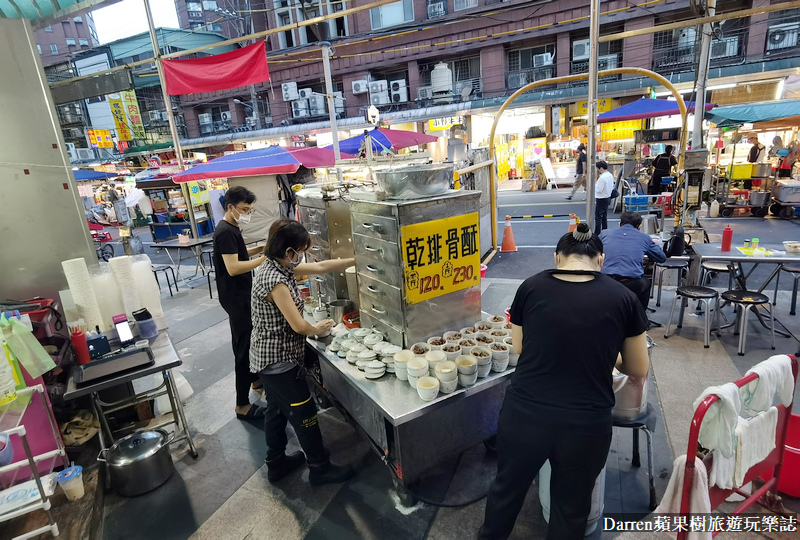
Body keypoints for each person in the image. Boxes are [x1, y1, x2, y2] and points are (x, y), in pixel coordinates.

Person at [479, 223, 650, 540]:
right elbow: (638, 368)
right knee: (570, 512)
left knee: (506, 494)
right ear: (600, 260)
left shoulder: (530, 287)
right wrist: (605, 352)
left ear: (557, 257)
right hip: (585, 425)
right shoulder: (624, 299)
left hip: (525, 417)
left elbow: (518, 346)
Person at [251, 219, 356, 485]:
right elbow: (299, 326)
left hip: (268, 358)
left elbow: (320, 266)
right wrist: (317, 328)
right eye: (301, 250)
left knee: (275, 411)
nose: (302, 255)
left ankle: (276, 463)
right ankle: (320, 468)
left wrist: (355, 260)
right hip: (278, 362)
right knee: (304, 412)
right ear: (289, 251)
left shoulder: (278, 264)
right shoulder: (275, 279)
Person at [213, 186, 268, 421]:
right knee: (243, 349)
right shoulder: (225, 231)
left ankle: (255, 381)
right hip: (235, 297)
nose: (247, 213)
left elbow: (241, 255)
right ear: (230, 207)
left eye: (251, 209)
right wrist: (266, 258)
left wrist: (263, 248)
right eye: (244, 209)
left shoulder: (233, 228)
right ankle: (242, 405)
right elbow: (234, 267)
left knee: (248, 341)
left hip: (240, 294)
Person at [600, 211, 666, 313]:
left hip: (606, 281)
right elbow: (661, 258)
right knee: (646, 283)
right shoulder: (645, 238)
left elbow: (593, 250)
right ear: (639, 226)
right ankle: (640, 318)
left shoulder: (605, 234)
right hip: (631, 283)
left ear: (620, 224)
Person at [594, 161, 614, 236]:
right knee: (604, 216)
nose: (597, 170)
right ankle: (605, 230)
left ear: (601, 168)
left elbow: (599, 189)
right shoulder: (610, 175)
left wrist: (594, 186)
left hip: (601, 198)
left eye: (598, 169)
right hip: (608, 197)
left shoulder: (602, 178)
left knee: (598, 217)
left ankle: (597, 233)